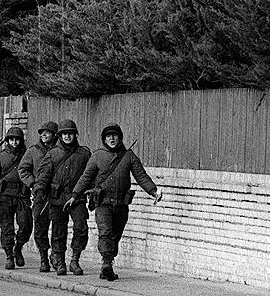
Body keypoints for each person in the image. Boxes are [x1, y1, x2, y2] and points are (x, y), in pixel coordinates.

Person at [70, 123, 162, 282]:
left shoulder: (129, 156)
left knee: (115, 235)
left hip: (121, 205)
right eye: (108, 136)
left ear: (120, 138)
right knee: (105, 232)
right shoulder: (98, 156)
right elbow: (86, 177)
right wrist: (74, 194)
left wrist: (153, 191)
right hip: (103, 203)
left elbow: (141, 176)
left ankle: (108, 264)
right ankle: (106, 264)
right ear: (104, 139)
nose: (112, 139)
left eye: (115, 135)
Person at [34, 119, 91, 276]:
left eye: (70, 134)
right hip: (57, 198)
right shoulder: (52, 154)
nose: (67, 136)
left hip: (76, 197)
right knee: (59, 231)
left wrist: (91, 190)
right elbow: (43, 175)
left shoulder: (84, 153)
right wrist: (39, 190)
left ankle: (75, 260)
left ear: (75, 135)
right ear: (60, 136)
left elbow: (91, 174)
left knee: (81, 228)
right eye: (64, 134)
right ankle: (59, 261)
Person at [0, 126, 32, 269]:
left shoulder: (27, 155)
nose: (14, 142)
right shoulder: (0, 157)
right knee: (7, 228)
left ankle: (18, 248)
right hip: (4, 196)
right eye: (11, 139)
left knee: (25, 225)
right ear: (7, 141)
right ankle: (9, 255)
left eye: (17, 140)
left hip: (22, 195)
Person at [18, 120, 59, 272]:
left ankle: (56, 255)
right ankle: (43, 257)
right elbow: (23, 169)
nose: (43, 135)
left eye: (47, 132)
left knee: (58, 228)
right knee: (40, 228)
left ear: (55, 134)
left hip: (57, 195)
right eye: (41, 132)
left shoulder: (61, 150)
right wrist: (33, 184)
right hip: (40, 195)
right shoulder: (33, 151)